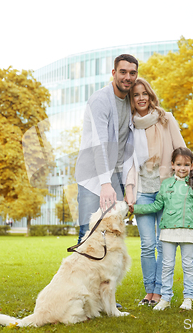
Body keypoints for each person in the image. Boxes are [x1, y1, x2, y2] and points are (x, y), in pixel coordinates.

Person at [128, 78, 193, 306]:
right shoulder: (130, 125)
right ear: (131, 100)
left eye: (144, 93)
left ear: (151, 96)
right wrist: (129, 191)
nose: (141, 98)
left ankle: (161, 292)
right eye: (136, 95)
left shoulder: (166, 119)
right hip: (143, 189)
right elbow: (128, 161)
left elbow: (182, 149)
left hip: (166, 190)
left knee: (164, 243)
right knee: (147, 245)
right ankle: (149, 291)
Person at [130, 147, 193, 311]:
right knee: (167, 266)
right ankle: (165, 298)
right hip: (168, 232)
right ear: (172, 165)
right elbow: (157, 205)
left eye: (186, 164)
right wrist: (136, 209)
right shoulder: (165, 185)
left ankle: (188, 298)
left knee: (188, 265)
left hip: (188, 232)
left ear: (191, 166)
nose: (182, 168)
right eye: (179, 164)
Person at [75, 54, 138, 244]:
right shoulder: (100, 100)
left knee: (112, 232)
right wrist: (105, 184)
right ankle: (80, 273)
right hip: (92, 176)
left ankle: (104, 274)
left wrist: (129, 186)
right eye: (123, 72)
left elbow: (128, 147)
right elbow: (100, 144)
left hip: (116, 175)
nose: (127, 77)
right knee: (89, 230)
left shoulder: (130, 101)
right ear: (114, 73)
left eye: (132, 73)